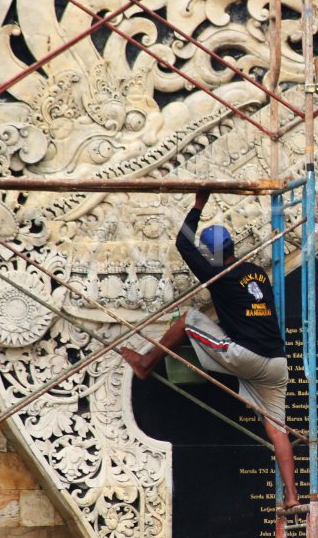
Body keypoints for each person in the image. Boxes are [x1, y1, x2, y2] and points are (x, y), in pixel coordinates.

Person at [120, 190, 300, 511]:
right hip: (277, 363)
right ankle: (292, 497)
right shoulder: (257, 273)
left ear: (213, 256)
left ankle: (146, 363)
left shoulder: (219, 276)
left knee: (189, 318)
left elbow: (183, 245)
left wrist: (199, 203)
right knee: (277, 430)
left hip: (246, 355)